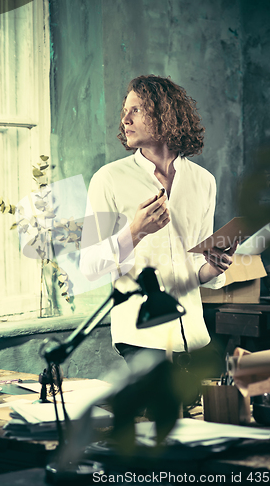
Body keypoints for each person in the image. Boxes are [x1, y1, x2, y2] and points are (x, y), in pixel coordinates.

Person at [80, 75, 236, 405]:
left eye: (136, 110)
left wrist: (212, 267)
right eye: (125, 110)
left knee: (198, 431)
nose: (125, 119)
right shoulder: (108, 180)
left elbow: (194, 266)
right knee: (160, 428)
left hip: (192, 334)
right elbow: (89, 266)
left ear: (165, 114)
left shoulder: (203, 182)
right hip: (139, 333)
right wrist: (135, 231)